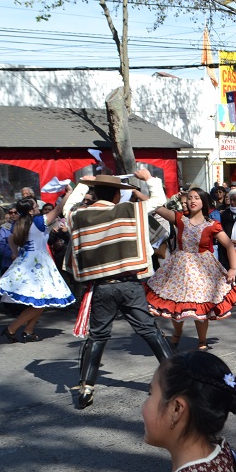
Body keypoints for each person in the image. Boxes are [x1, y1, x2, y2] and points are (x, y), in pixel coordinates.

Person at [62, 170, 176, 410]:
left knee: (98, 335)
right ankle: (175, 379)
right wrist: (149, 179)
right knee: (149, 330)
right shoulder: (129, 210)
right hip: (129, 284)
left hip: (101, 287)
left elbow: (67, 207)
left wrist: (83, 185)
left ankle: (86, 389)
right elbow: (158, 200)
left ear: (94, 193)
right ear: (116, 194)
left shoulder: (80, 215)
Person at [145, 187, 236, 351]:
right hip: (179, 267)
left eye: (196, 197)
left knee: (201, 304)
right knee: (175, 302)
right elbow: (157, 207)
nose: (192, 201)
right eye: (189, 198)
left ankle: (202, 340)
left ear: (203, 201)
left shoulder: (211, 225)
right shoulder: (180, 219)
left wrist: (233, 268)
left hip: (202, 268)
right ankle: (176, 335)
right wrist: (141, 192)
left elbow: (229, 246)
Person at [0, 194, 77, 343]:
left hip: (26, 259)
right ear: (31, 211)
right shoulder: (39, 221)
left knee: (41, 300)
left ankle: (28, 330)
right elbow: (58, 209)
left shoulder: (18, 223)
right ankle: (12, 328)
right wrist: (69, 193)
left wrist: (15, 253)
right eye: (35, 206)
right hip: (38, 262)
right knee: (41, 300)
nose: (38, 207)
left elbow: (10, 239)